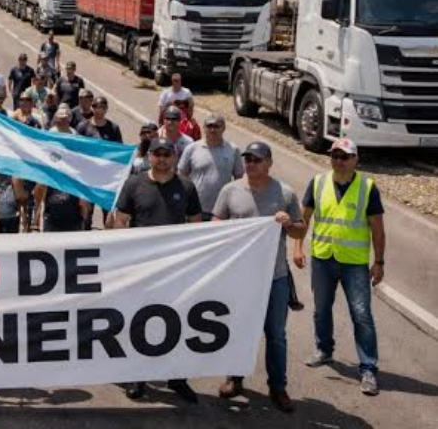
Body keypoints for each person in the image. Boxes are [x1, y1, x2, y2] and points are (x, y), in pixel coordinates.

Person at [107, 137, 202, 403]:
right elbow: (121, 222)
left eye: (166, 154)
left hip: (175, 269)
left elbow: (196, 225)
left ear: (174, 157)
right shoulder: (134, 184)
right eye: (157, 154)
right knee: (139, 321)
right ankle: (137, 376)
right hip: (142, 269)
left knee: (176, 320)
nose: (161, 159)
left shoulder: (186, 186)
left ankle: (176, 377)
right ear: (149, 157)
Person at [213, 142, 306, 413]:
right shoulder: (230, 190)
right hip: (240, 277)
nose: (250, 163)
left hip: (275, 277)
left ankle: (278, 387)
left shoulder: (285, 193)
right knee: (238, 329)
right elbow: (216, 223)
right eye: (248, 159)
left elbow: (300, 231)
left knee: (276, 335)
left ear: (269, 163)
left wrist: (289, 223)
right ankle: (235, 378)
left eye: (256, 159)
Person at [297, 138, 385, 396]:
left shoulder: (368, 188)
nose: (339, 161)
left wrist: (379, 262)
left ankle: (368, 368)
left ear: (355, 159)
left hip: (354, 263)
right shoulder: (318, 182)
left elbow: (378, 229)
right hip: (323, 258)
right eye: (335, 156)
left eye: (345, 156)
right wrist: (297, 247)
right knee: (321, 309)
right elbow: (304, 218)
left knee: (361, 315)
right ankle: (324, 350)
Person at [179, 114, 243, 220]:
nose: (213, 130)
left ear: (223, 128)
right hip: (196, 209)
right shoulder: (191, 148)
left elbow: (239, 178)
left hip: (222, 211)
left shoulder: (233, 150)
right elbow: (181, 176)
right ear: (204, 128)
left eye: (217, 126)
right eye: (209, 126)